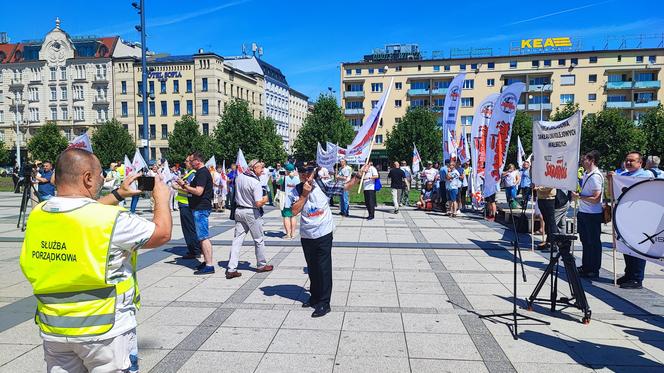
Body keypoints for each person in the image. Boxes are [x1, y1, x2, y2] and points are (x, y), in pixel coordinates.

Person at [19, 148, 172, 373]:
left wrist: (118, 194)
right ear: (87, 178)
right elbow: (162, 233)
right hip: (105, 331)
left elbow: (82, 211)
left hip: (54, 327)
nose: (103, 178)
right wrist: (161, 198)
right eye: (100, 174)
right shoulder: (111, 220)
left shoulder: (39, 214)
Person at [290, 162, 364, 317]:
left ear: (314, 172)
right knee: (312, 268)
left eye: (308, 171)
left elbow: (345, 187)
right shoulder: (296, 189)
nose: (305, 174)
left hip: (323, 232)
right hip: (307, 235)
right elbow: (294, 211)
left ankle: (324, 302)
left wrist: (358, 175)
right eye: (302, 171)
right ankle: (315, 297)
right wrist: (304, 194)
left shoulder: (323, 185)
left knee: (323, 268)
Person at [611, 151, 652, 289]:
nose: (628, 163)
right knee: (627, 246)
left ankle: (637, 278)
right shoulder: (623, 175)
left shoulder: (645, 175)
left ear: (640, 163)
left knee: (638, 247)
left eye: (632, 161)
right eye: (627, 160)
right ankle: (628, 274)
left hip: (640, 217)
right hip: (625, 216)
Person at [226, 159, 274, 278]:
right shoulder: (255, 182)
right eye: (260, 168)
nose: (262, 170)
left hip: (239, 210)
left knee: (237, 240)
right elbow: (258, 203)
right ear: (253, 168)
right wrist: (266, 199)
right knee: (258, 239)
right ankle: (261, 265)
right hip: (251, 212)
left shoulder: (239, 177)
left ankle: (231, 268)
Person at [174, 151, 215, 274]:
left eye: (191, 161)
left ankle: (209, 265)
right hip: (197, 207)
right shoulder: (199, 173)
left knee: (203, 237)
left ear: (197, 161)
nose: (190, 163)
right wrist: (184, 186)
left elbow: (198, 191)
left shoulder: (202, 173)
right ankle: (206, 261)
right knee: (200, 236)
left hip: (201, 208)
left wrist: (184, 186)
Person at [573, 150, 604, 279]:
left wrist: (579, 197)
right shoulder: (586, 173)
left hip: (592, 214)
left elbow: (596, 198)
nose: (582, 161)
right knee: (585, 241)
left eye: (585, 159)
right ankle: (586, 266)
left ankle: (593, 269)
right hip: (584, 212)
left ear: (591, 160)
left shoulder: (596, 176)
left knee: (593, 242)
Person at [174, 156, 200, 259]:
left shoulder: (192, 174)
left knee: (189, 229)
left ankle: (194, 250)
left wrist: (177, 187)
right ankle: (194, 249)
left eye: (186, 161)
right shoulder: (189, 173)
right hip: (185, 204)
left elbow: (190, 189)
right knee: (190, 228)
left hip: (186, 204)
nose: (185, 162)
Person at [278, 163, 300, 239]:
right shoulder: (297, 178)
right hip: (295, 200)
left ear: (286, 170)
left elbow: (277, 182)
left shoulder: (284, 178)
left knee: (286, 217)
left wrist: (281, 176)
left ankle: (288, 234)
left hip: (285, 200)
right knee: (293, 216)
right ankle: (293, 234)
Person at [535, 185, 557, 250]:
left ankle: (554, 243)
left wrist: (539, 188)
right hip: (541, 198)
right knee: (547, 222)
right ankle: (548, 241)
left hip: (549, 198)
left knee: (551, 222)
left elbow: (551, 186)